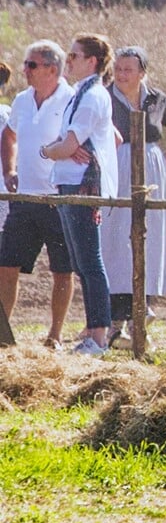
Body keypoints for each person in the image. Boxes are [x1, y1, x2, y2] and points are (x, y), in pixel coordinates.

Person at [100, 47, 166, 343]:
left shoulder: (156, 99)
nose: (122, 75)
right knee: (116, 236)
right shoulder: (105, 96)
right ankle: (114, 320)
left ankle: (143, 313)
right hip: (118, 165)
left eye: (128, 69)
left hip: (150, 166)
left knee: (148, 236)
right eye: (119, 69)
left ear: (142, 73)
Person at [40, 34, 117, 355]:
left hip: (81, 184)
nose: (68, 61)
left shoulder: (93, 95)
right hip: (69, 181)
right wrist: (62, 148)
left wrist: (47, 150)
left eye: (74, 56)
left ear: (92, 61)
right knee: (81, 262)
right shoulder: (79, 94)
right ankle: (94, 331)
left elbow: (68, 145)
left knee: (89, 261)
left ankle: (99, 336)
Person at [0, 41, 75, 347]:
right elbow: (10, 135)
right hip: (26, 198)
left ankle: (55, 335)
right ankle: (3, 336)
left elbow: (100, 134)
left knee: (62, 269)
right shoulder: (21, 100)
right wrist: (9, 170)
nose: (24, 71)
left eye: (31, 65)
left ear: (52, 69)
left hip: (59, 199)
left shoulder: (72, 99)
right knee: (6, 266)